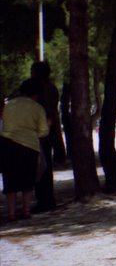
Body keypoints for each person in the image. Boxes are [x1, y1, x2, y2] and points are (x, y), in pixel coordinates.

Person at [1, 79, 50, 223]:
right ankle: (26, 210)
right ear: (37, 94)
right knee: (27, 179)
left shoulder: (9, 105)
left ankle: (11, 213)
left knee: (10, 179)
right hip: (29, 145)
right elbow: (43, 131)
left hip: (7, 143)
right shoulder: (37, 108)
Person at [30, 61, 62, 211]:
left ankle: (45, 200)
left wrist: (43, 131)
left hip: (44, 132)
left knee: (42, 166)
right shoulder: (49, 87)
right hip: (45, 130)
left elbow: (48, 112)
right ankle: (45, 199)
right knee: (43, 165)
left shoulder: (46, 89)